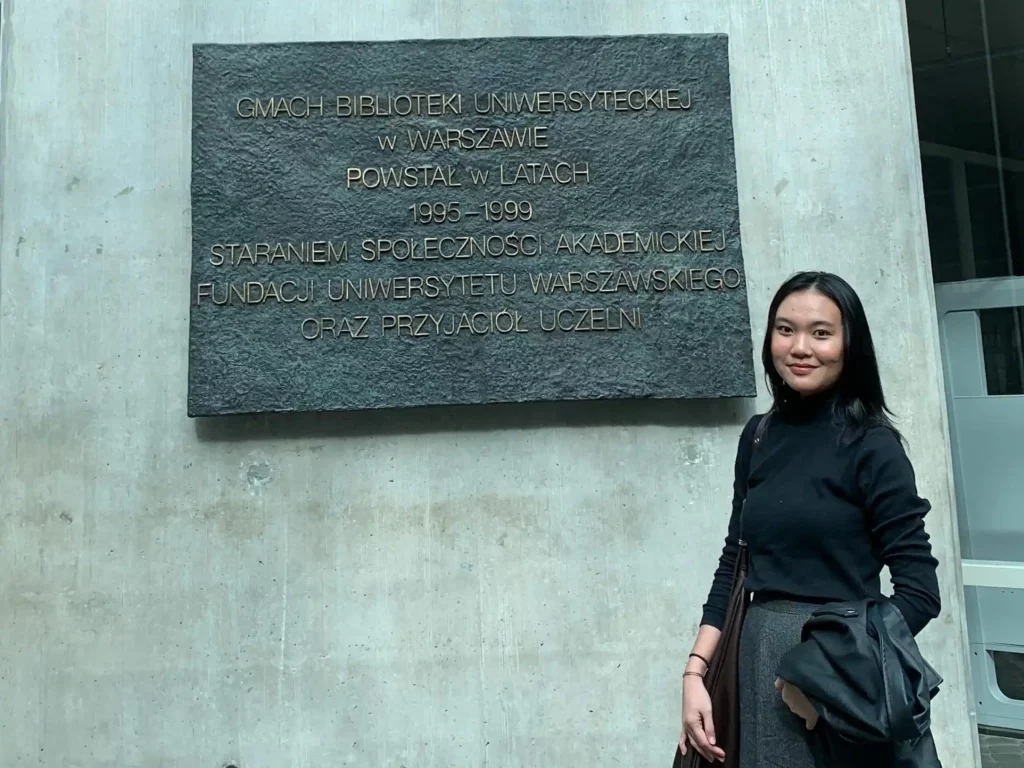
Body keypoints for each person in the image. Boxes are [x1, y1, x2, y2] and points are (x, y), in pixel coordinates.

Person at [677, 272, 942, 766]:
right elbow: (735, 562)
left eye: (821, 332)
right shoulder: (757, 437)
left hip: (837, 676)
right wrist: (696, 673)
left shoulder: (873, 446)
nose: (800, 347)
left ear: (848, 345)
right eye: (785, 329)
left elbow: (920, 593)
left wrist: (826, 672)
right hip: (757, 659)